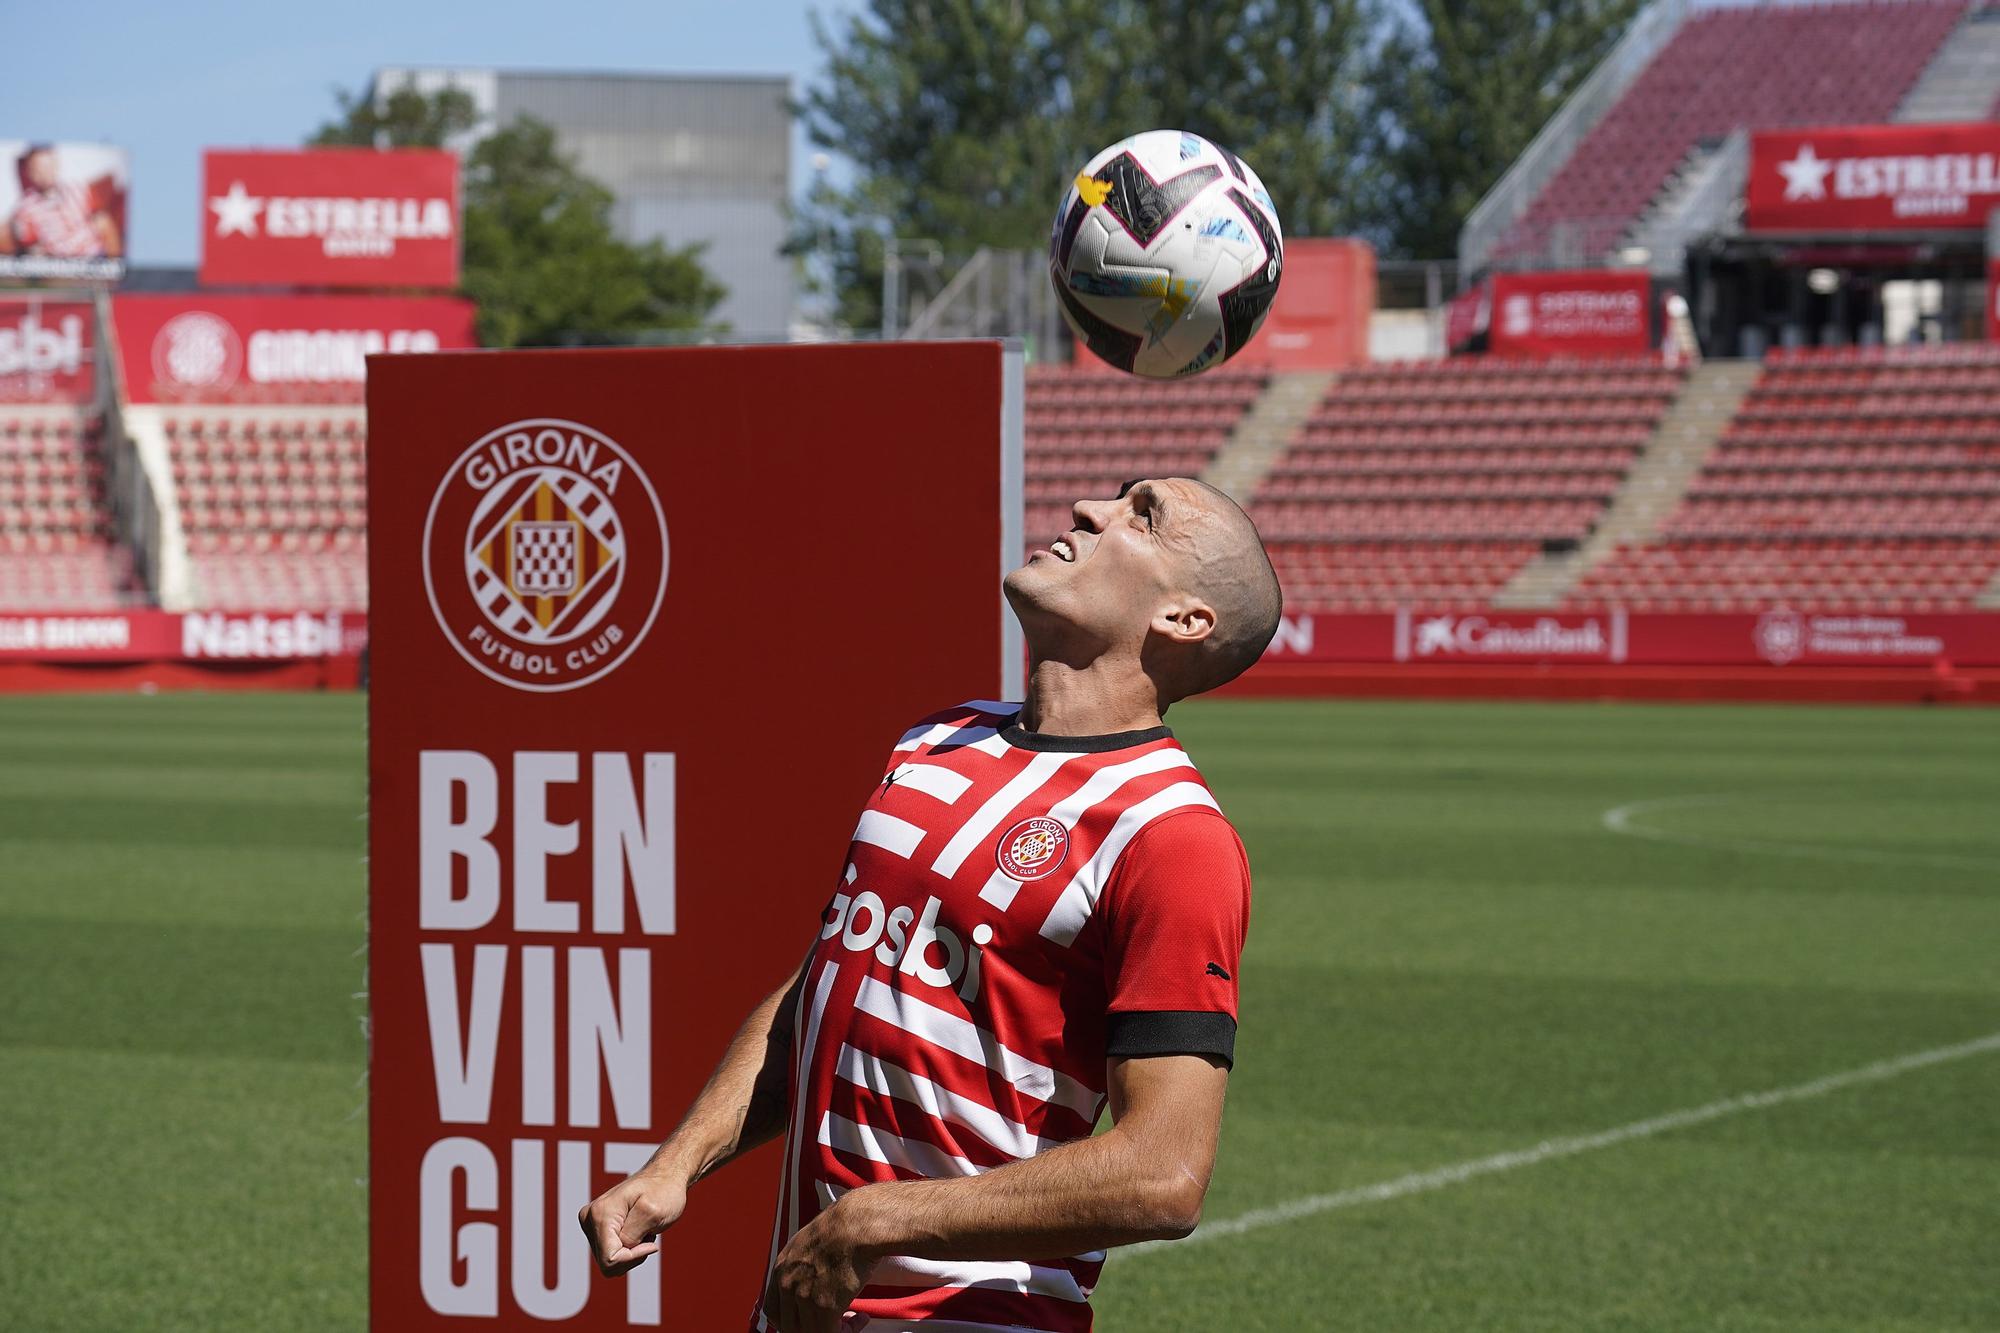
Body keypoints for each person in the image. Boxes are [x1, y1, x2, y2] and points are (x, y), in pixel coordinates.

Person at [580, 476, 1284, 1332]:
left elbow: (1164, 1173)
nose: (1089, 513)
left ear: (1184, 619)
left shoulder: (1171, 837)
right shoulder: (936, 737)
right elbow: (831, 983)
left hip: (970, 1314)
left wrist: (876, 1219)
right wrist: (676, 1165)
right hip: (807, 1306)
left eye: (1143, 516)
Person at [7, 145, 118, 260]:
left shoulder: (78, 188)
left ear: (56, 165)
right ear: (30, 172)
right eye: (38, 169)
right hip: (63, 267)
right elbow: (31, 249)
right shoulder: (25, 210)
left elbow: (103, 222)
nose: (45, 173)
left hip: (96, 258)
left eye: (48, 166)